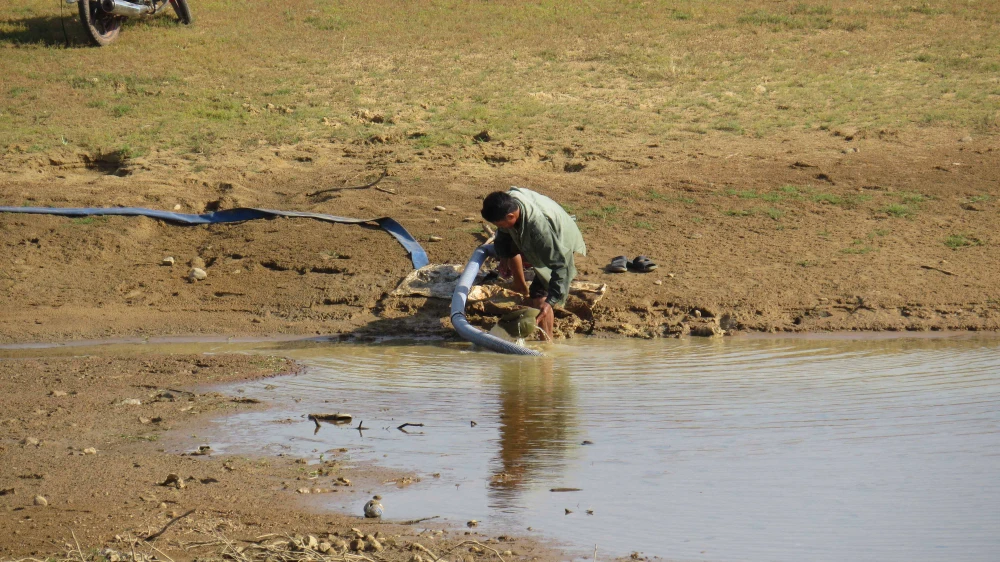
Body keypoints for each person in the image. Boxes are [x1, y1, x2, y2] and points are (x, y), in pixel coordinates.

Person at [480, 187, 586, 341]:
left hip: (560, 238)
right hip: (542, 227)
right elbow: (503, 236)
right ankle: (521, 287)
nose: (501, 228)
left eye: (501, 224)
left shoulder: (539, 231)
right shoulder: (506, 202)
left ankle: (547, 343)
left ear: (511, 216)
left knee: (540, 293)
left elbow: (561, 266)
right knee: (511, 244)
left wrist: (550, 302)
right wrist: (504, 257)